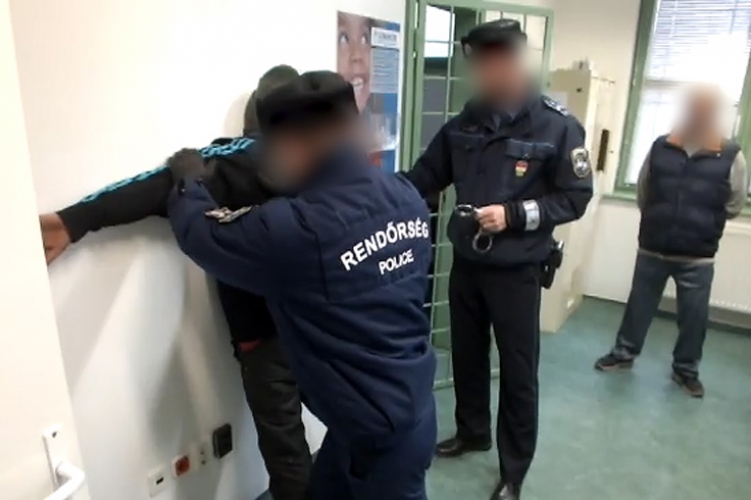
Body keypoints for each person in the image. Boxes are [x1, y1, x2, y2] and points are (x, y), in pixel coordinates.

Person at [38, 65, 314, 500]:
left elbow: (161, 184)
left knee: (289, 456)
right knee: (346, 425)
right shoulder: (326, 159)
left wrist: (74, 220)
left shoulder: (241, 159)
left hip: (264, 341)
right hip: (320, 324)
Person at [166, 70, 437, 500]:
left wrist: (188, 182)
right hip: (395, 411)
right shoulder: (406, 197)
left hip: (380, 441)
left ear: (292, 145)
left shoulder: (298, 229)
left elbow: (201, 234)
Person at [402, 20, 593, 500]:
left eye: (489, 65)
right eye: (477, 67)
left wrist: (513, 215)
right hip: (468, 263)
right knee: (466, 356)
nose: (481, 76)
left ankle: (514, 468)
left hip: (517, 270)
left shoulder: (556, 125)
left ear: (513, 63)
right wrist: (368, 192)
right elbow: (425, 177)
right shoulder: (465, 122)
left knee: (517, 370)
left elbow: (575, 197)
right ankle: (473, 432)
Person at [595, 84, 747, 398]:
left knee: (694, 318)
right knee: (639, 306)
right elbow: (644, 190)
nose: (700, 115)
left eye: (706, 110)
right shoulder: (662, 146)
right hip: (653, 247)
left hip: (697, 255)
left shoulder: (731, 155)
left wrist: (706, 223)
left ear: (714, 114)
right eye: (695, 108)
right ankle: (623, 354)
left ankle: (686, 370)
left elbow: (734, 203)